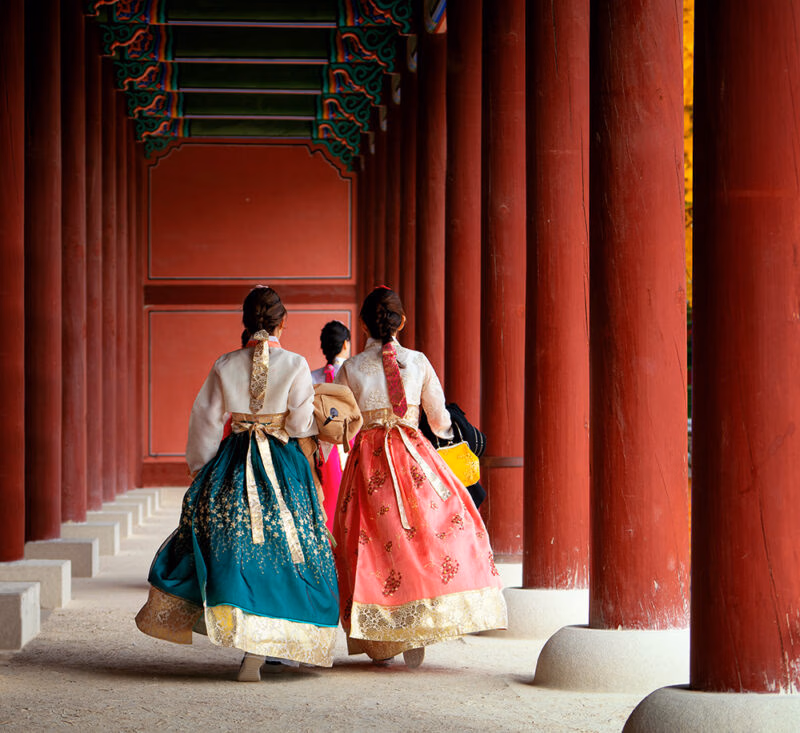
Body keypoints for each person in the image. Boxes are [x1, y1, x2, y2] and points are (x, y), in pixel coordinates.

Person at [135, 285, 339, 681]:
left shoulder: (225, 363)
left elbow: (207, 420)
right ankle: (289, 638)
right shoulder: (296, 364)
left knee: (238, 549)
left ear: (246, 323)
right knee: (292, 549)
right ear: (283, 322)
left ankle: (250, 646)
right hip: (283, 464)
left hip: (233, 462)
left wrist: (201, 468)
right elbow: (298, 424)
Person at [333, 286, 507, 668]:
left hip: (369, 458)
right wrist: (441, 438)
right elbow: (440, 418)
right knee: (422, 533)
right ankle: (418, 622)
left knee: (373, 540)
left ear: (363, 324)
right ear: (402, 322)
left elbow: (345, 424)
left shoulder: (351, 368)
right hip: (413, 453)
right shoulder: (420, 361)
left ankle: (382, 634)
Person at [310, 321, 352, 532]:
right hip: (349, 444)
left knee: (326, 500)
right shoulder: (353, 372)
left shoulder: (311, 377)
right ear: (346, 344)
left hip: (320, 448)